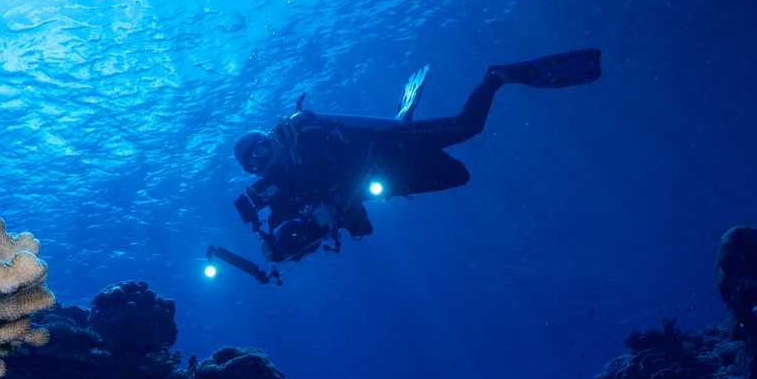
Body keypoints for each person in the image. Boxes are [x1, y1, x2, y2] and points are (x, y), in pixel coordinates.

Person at [227, 48, 602, 266]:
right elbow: (299, 232)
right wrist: (279, 248)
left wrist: (333, 203)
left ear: (270, 141)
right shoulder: (281, 190)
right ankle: (489, 83)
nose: (263, 161)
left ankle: (495, 77)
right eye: (254, 163)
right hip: (392, 179)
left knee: (466, 126)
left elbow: (341, 170)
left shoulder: (304, 140)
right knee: (459, 175)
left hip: (394, 147)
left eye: (262, 150)